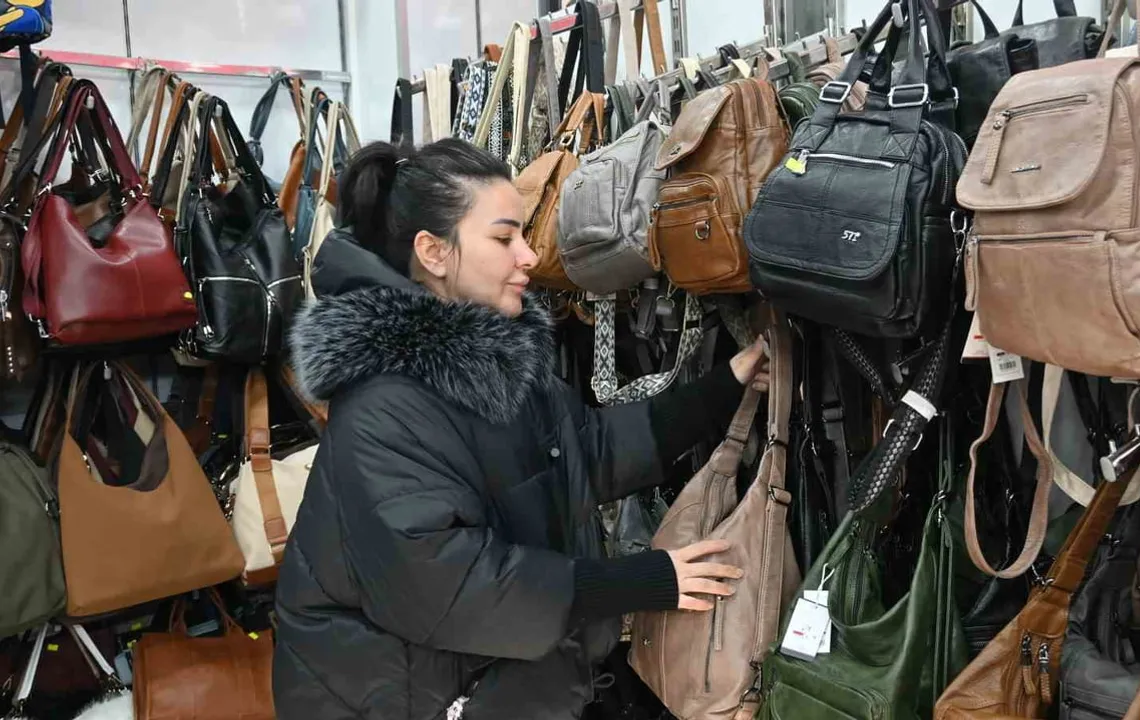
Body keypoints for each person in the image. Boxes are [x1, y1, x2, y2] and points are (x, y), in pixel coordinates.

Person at [273, 138, 772, 720]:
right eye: (504, 237)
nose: (531, 256)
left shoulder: (495, 365)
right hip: (400, 697)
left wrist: (726, 384)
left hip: (480, 680)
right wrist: (639, 582)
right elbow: (453, 584)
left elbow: (583, 453)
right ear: (434, 252)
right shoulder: (384, 407)